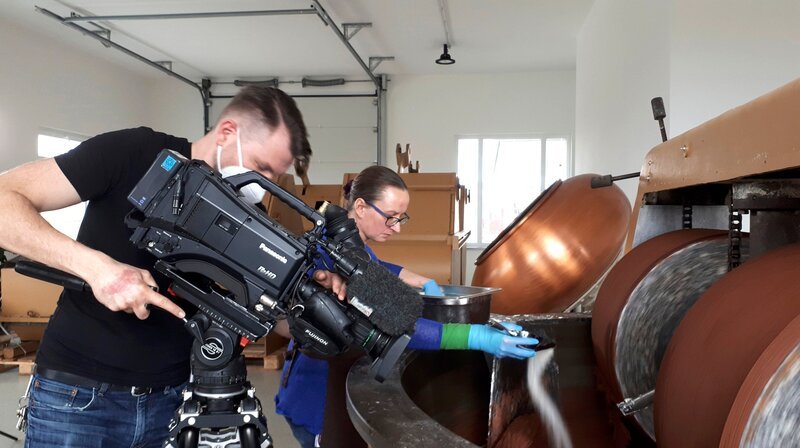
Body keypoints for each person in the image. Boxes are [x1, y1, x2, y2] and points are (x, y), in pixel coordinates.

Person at [0, 86, 321, 448]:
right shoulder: (135, 153)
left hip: (174, 401)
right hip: (78, 399)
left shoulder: (249, 221)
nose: (265, 186)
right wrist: (96, 267)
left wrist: (317, 306)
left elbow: (270, 314)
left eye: (274, 176)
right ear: (228, 132)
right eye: (262, 167)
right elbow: (3, 201)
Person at [274, 165, 539, 448]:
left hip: (322, 387)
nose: (397, 228)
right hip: (318, 397)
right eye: (390, 218)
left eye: (402, 218)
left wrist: (422, 280)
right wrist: (478, 336)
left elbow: (376, 268)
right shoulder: (332, 257)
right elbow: (402, 325)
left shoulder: (346, 244)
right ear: (361, 207)